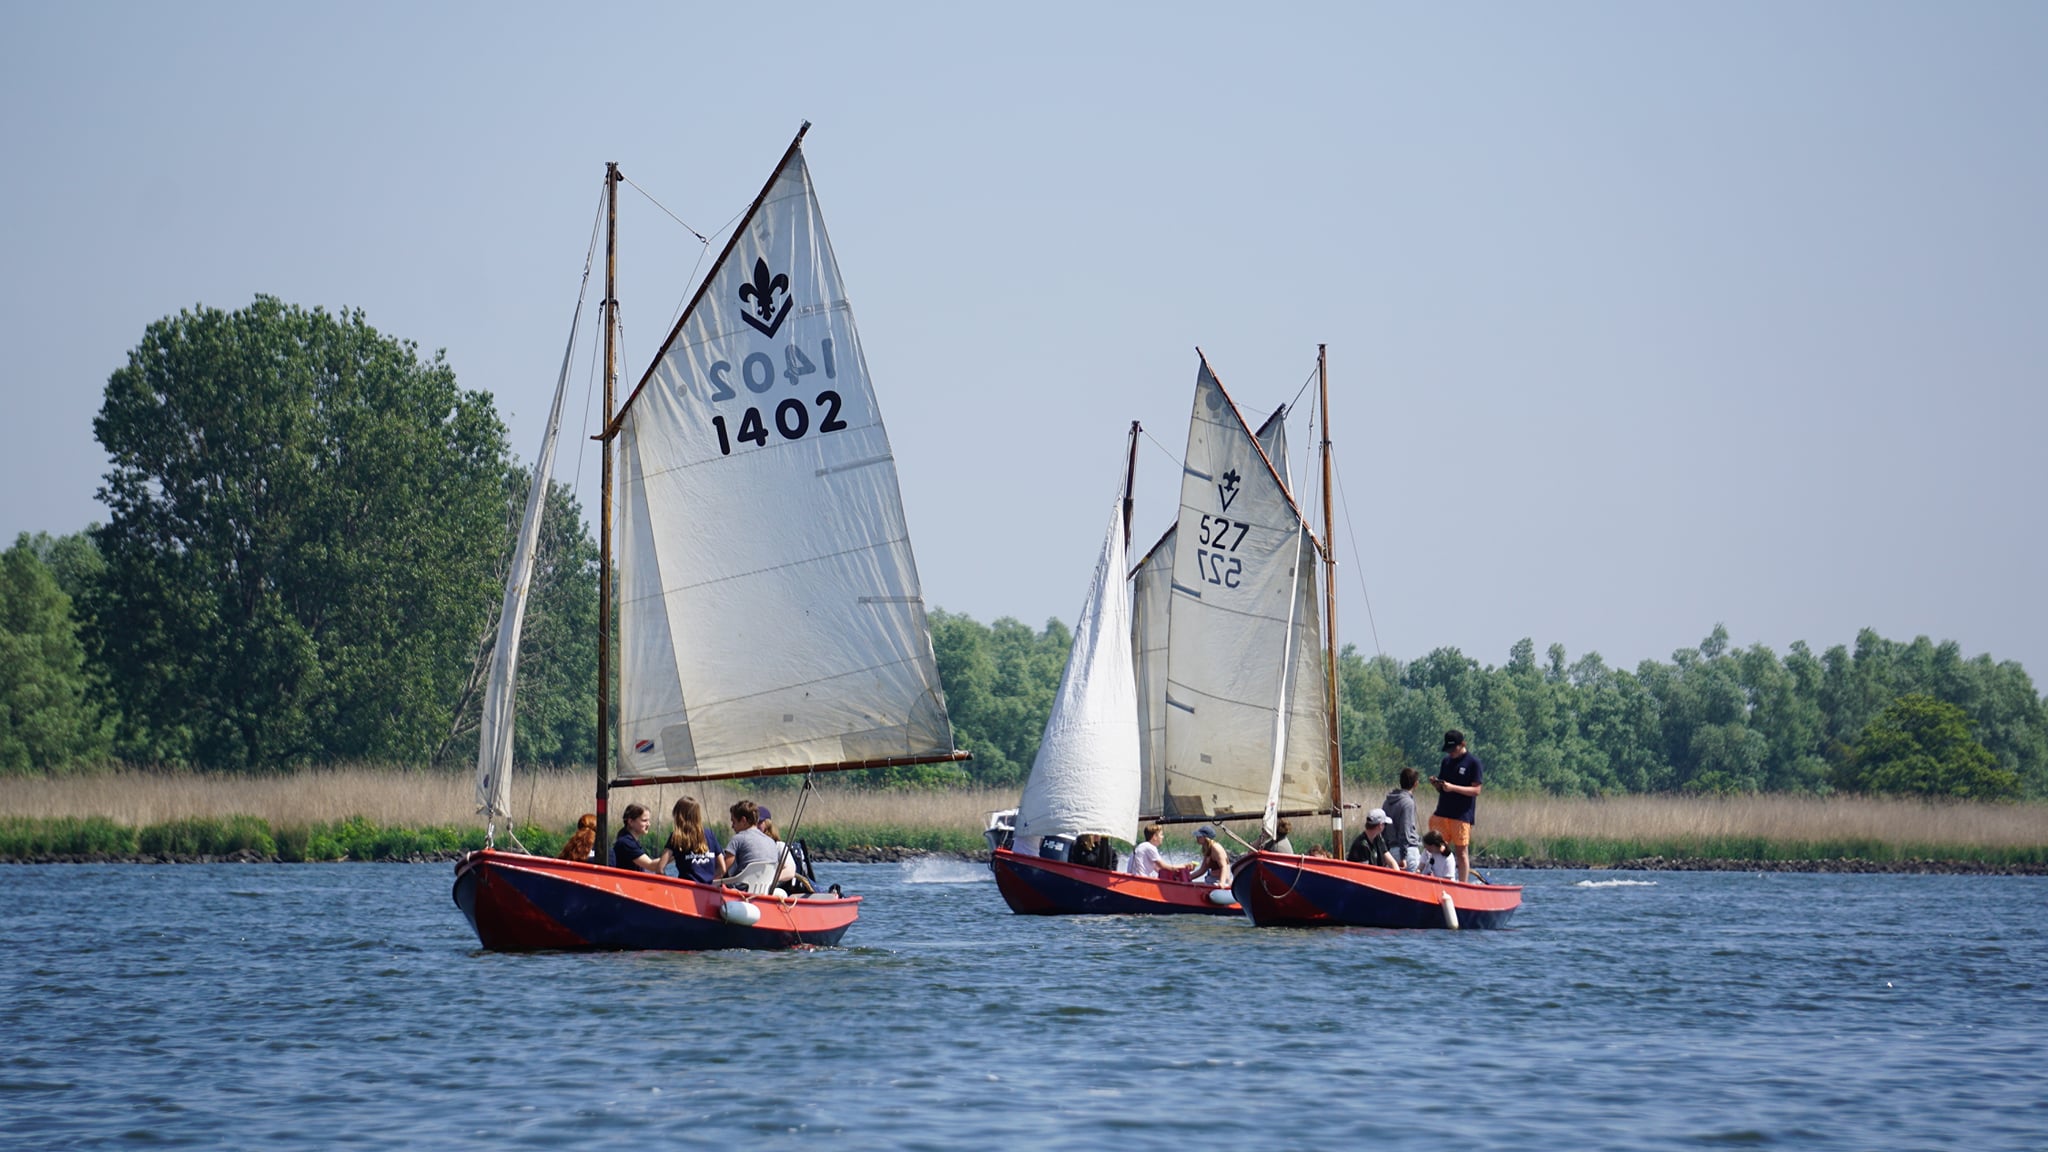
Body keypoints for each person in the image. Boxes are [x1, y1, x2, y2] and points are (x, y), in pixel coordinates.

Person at [1429, 728, 1484, 883]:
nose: (1451, 753)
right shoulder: (1446, 761)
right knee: (1437, 848)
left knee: (1461, 852)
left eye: (1454, 749)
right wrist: (1437, 784)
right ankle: (1439, 877)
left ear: (1463, 744)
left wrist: (1453, 788)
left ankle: (1462, 883)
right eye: (1449, 750)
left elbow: (1476, 790)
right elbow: (1443, 786)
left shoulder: (1473, 763)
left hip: (1461, 815)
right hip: (1442, 811)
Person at [718, 800, 779, 888]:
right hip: (765, 891)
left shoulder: (738, 838)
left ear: (743, 820)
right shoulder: (771, 842)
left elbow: (722, 870)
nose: (732, 826)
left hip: (741, 892)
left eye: (734, 822)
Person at [664, 797, 719, 884]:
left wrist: (671, 886)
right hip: (708, 890)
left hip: (685, 889)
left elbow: (659, 868)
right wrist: (710, 882)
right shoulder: (710, 834)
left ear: (678, 815)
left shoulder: (676, 836)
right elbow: (722, 868)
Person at [1383, 767, 1422, 871]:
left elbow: (1383, 830)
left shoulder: (1387, 802)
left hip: (1391, 851)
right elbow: (1405, 830)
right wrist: (1403, 856)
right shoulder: (1407, 803)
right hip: (1407, 851)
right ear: (1416, 784)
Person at [611, 804, 669, 872]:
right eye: (644, 821)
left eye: (648, 821)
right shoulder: (626, 843)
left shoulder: (632, 841)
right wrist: (673, 854)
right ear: (631, 822)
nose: (648, 824)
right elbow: (651, 866)